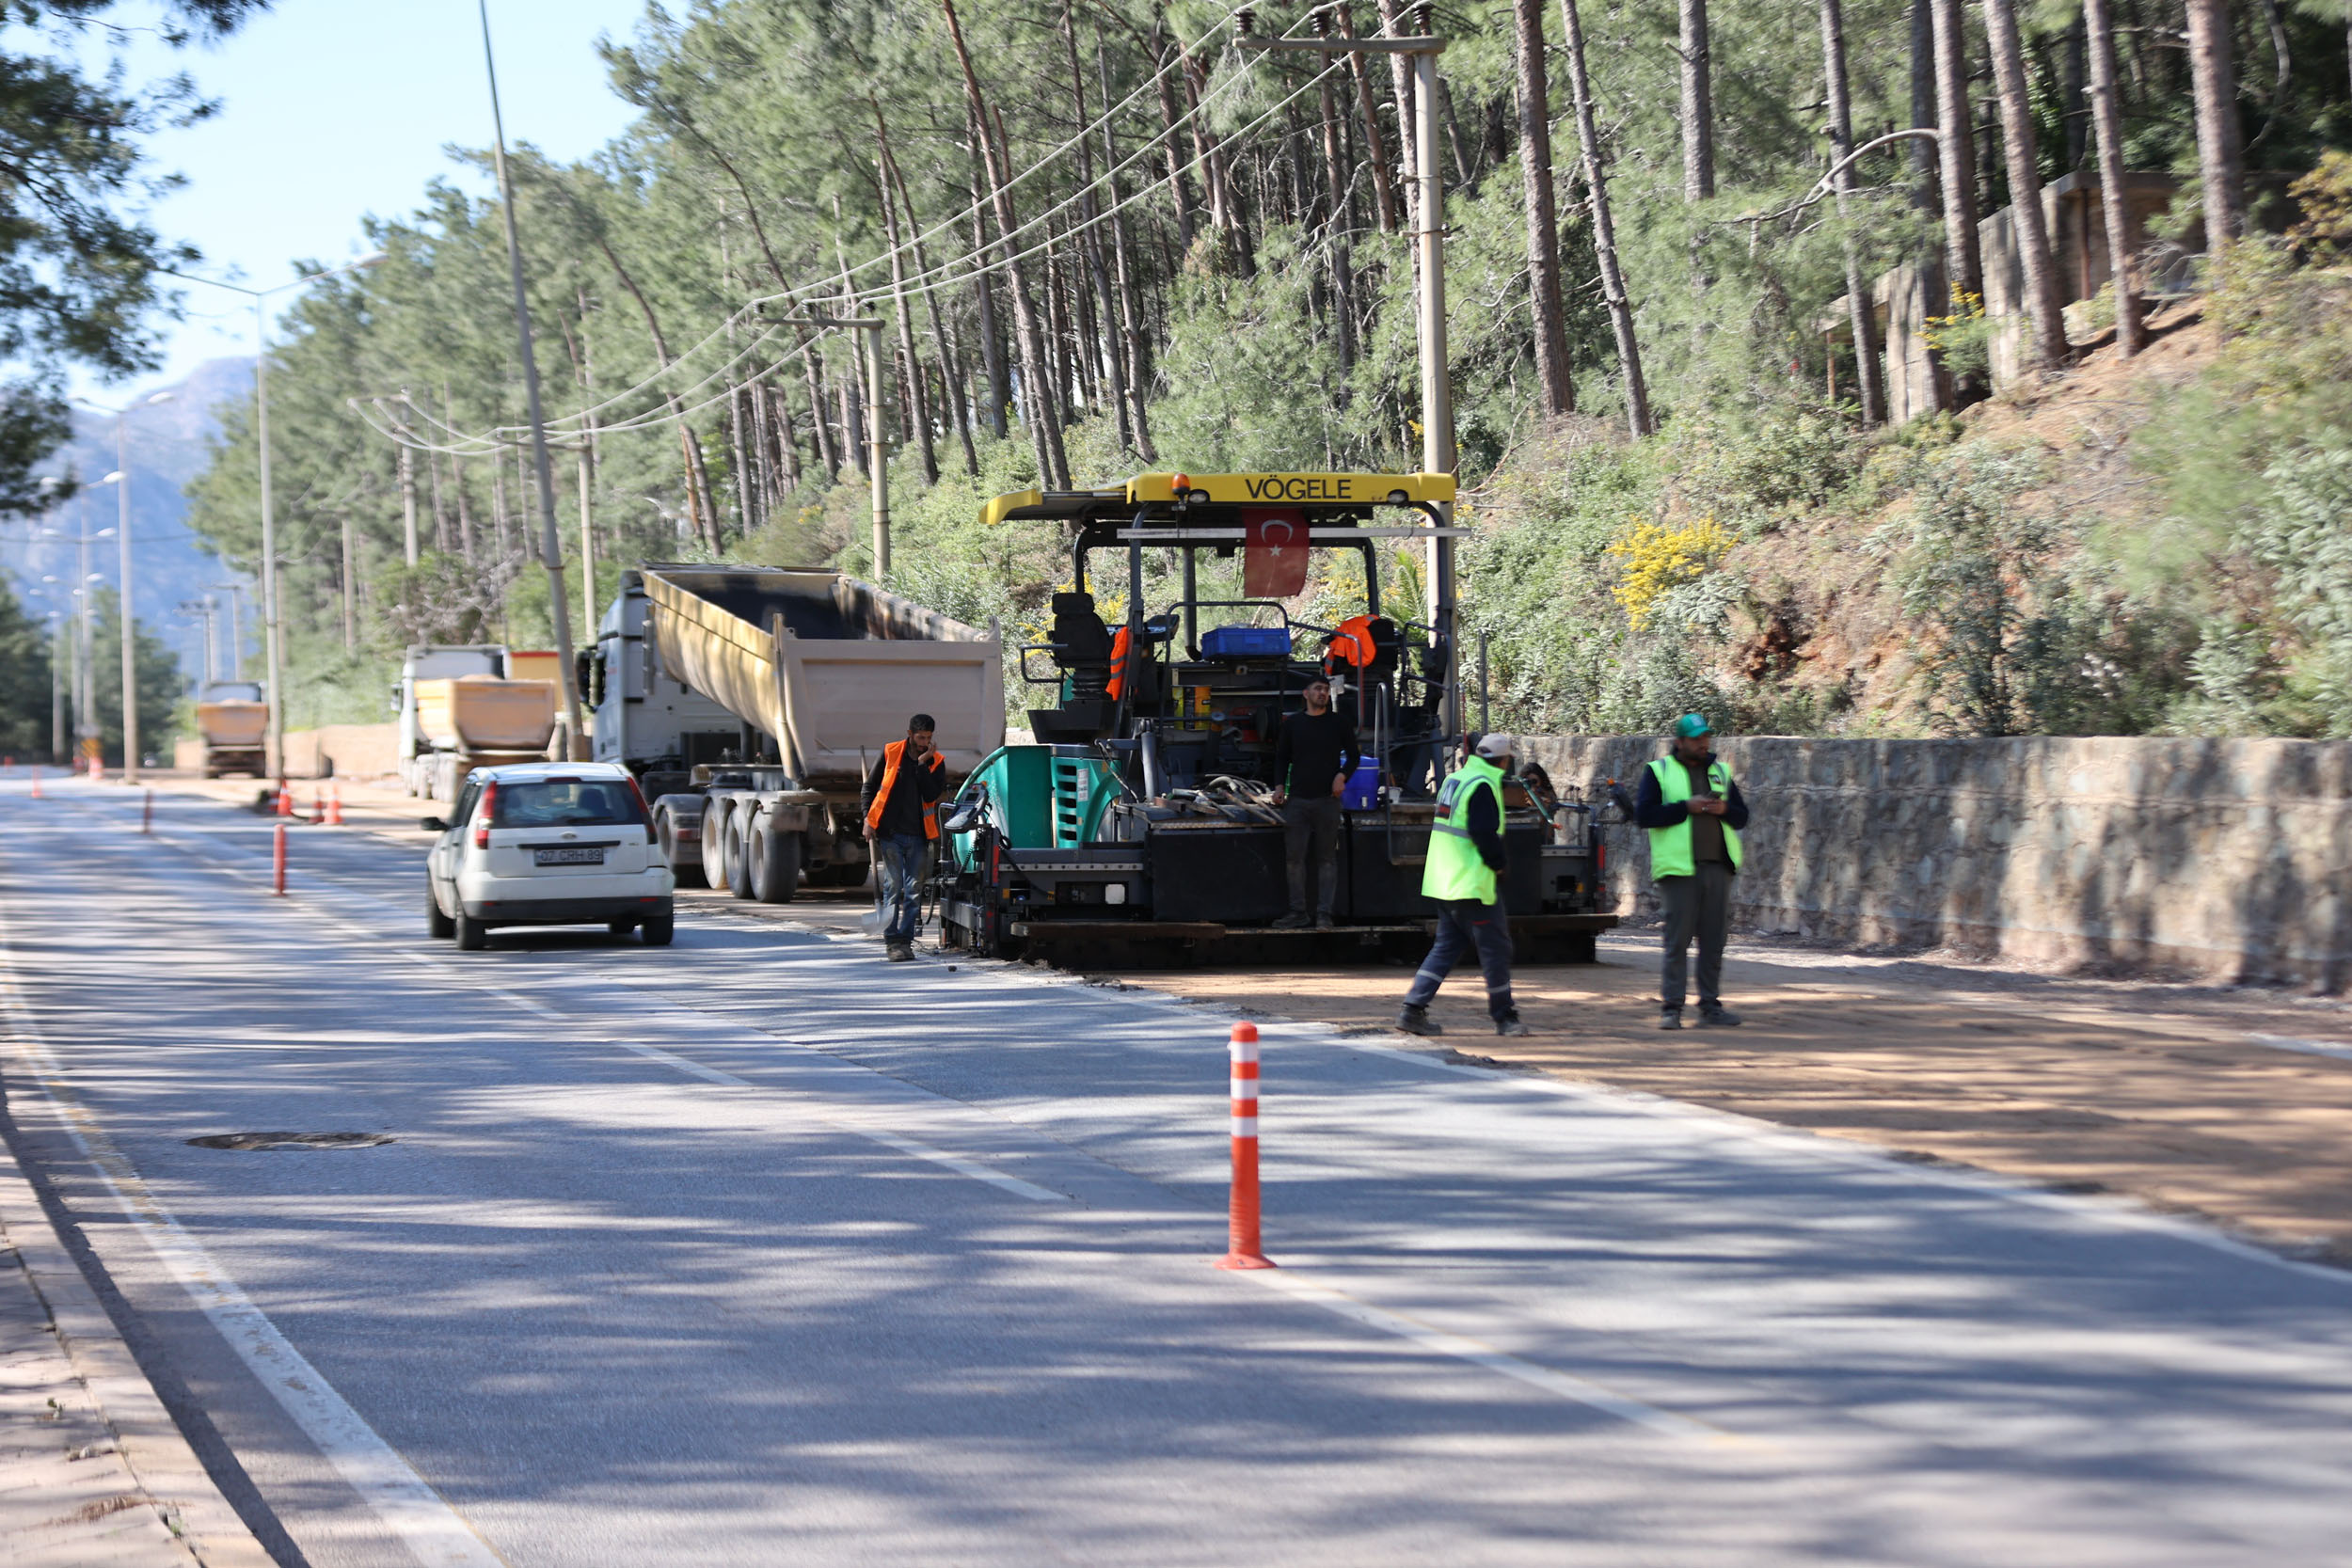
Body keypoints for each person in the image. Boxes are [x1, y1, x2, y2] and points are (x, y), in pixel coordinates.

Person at [1394, 732, 1531, 1037]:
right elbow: (1483, 832)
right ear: (1504, 761)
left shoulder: (1456, 779)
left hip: (1445, 880)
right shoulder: (1483, 784)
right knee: (1495, 949)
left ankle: (1412, 1009)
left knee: (1446, 946)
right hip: (1471, 883)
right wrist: (1499, 865)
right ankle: (1505, 1017)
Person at [1635, 712, 1751, 1029]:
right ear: (1679, 741)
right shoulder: (1658, 772)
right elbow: (1644, 815)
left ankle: (1710, 1006)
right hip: (1678, 871)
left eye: (1706, 737)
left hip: (1718, 868)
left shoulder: (1720, 772)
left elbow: (1741, 817)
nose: (1704, 743)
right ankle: (1671, 1008)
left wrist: (1724, 808)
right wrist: (1685, 807)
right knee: (1677, 941)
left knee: (1714, 941)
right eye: (1697, 738)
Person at [1270, 674, 1360, 928]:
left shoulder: (1339, 723)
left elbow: (1354, 756)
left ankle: (1324, 915)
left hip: (1327, 801)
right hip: (1297, 801)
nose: (1322, 693)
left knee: (1327, 859)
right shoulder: (1293, 724)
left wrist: (1342, 776)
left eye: (1326, 690)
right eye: (1318, 689)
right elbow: (1281, 758)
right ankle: (1298, 912)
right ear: (1305, 694)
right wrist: (1278, 787)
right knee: (1294, 859)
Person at [860, 713, 947, 961]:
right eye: (920, 737)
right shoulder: (890, 752)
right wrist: (867, 819)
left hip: (920, 837)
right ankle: (891, 941)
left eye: (928, 738)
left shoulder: (935, 761)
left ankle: (905, 941)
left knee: (913, 890)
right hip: (891, 834)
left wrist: (922, 764)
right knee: (893, 887)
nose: (924, 742)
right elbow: (870, 788)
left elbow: (931, 795)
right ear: (909, 733)